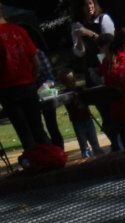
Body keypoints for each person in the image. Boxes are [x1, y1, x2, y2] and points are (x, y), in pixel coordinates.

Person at [0, 8, 51, 155]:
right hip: (27, 85)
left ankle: (37, 162)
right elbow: (37, 63)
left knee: (25, 132)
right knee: (38, 129)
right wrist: (31, 80)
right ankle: (51, 158)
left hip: (7, 89)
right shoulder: (19, 31)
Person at [59, 70, 105, 158]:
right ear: (64, 83)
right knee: (83, 142)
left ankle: (98, 151)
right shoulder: (65, 94)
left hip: (87, 117)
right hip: (77, 121)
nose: (72, 83)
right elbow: (68, 104)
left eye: (73, 81)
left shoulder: (79, 89)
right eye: (69, 82)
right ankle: (86, 155)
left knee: (93, 139)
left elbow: (87, 98)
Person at [71, 0, 115, 86]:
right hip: (90, 66)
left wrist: (90, 34)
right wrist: (79, 37)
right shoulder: (77, 25)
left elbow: (109, 42)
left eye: (90, 3)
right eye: (85, 5)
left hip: (107, 62)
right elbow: (80, 53)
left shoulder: (103, 18)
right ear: (80, 8)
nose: (89, 7)